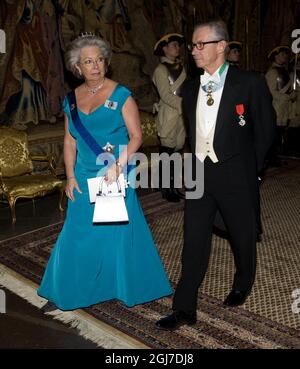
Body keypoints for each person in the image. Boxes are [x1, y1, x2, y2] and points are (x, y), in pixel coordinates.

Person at [156, 20, 276, 330]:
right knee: (193, 240)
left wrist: (253, 169)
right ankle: (184, 308)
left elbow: (265, 130)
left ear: (220, 46)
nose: (192, 50)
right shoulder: (191, 86)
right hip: (199, 173)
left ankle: (242, 281)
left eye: (199, 45)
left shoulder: (249, 83)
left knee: (242, 235)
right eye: (192, 45)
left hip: (236, 174)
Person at [37, 34, 172, 311]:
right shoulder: (71, 101)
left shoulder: (122, 95)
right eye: (88, 61)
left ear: (106, 63)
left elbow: (136, 136)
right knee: (76, 231)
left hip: (115, 173)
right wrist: (70, 176)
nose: (95, 66)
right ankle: (67, 289)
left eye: (99, 60)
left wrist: (118, 166)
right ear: (78, 67)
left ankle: (122, 286)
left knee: (116, 231)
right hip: (84, 176)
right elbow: (69, 140)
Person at [152, 33, 187, 202]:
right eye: (173, 45)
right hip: (169, 115)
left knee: (177, 151)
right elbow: (165, 95)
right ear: (164, 49)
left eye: (178, 45)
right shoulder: (160, 70)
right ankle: (166, 188)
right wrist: (183, 104)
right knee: (167, 152)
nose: (177, 48)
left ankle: (174, 186)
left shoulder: (181, 68)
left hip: (181, 115)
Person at [265, 45, 294, 164]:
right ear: (276, 56)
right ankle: (272, 158)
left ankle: (276, 156)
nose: (285, 57)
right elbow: (271, 91)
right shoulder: (272, 72)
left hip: (284, 107)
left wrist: (292, 95)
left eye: (285, 54)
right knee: (274, 133)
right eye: (282, 54)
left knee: (280, 132)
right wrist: (286, 97)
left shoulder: (284, 71)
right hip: (276, 106)